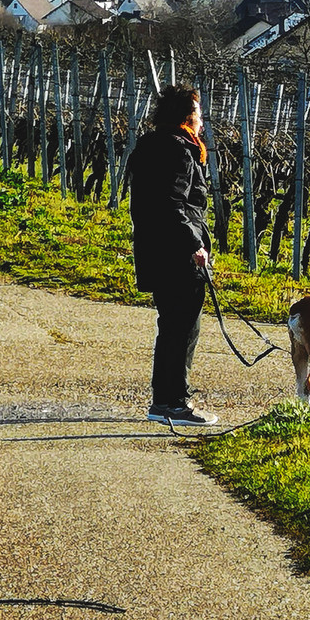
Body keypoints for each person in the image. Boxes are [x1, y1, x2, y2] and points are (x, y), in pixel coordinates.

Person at [128, 84, 218, 426]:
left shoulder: (150, 146)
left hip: (156, 250)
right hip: (178, 255)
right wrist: (194, 245)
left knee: (170, 327)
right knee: (183, 329)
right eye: (198, 115)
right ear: (186, 117)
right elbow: (173, 205)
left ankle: (162, 401)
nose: (201, 123)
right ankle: (175, 403)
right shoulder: (179, 152)